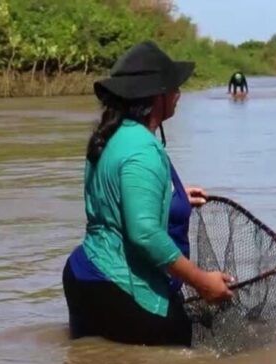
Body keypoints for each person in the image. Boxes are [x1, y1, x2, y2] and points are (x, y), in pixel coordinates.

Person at [62, 41, 234, 346]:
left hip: (83, 275)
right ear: (157, 97)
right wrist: (202, 282)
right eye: (174, 88)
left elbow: (112, 200)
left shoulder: (110, 136)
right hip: (120, 286)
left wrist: (175, 198)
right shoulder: (143, 148)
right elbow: (144, 234)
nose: (179, 95)